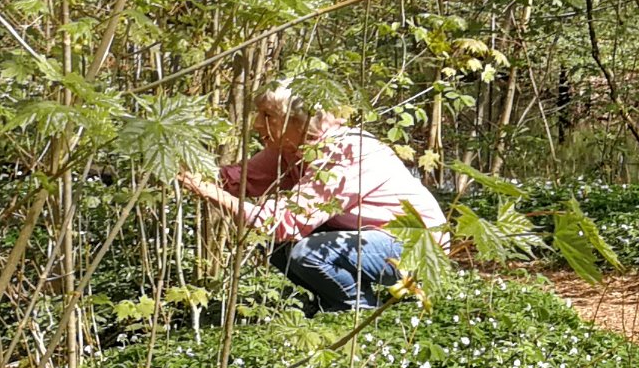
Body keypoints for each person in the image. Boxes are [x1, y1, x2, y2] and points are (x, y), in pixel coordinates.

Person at [179, 89, 448, 313]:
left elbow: (282, 222)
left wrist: (212, 193)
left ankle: (360, 310)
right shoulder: (291, 150)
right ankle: (334, 302)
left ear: (300, 121)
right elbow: (239, 179)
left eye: (268, 116)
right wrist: (180, 166)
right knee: (277, 246)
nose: (257, 124)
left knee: (306, 252)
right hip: (369, 238)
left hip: (418, 246)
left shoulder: (343, 154)